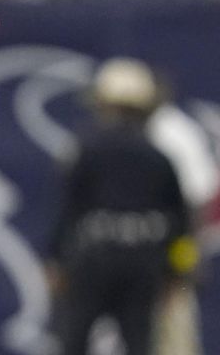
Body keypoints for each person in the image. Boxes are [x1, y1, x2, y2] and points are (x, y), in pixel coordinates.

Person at [46, 57, 194, 355]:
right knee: (139, 344)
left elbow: (69, 210)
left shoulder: (86, 151)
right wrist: (178, 274)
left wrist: (55, 260)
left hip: (92, 260)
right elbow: (180, 224)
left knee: (73, 341)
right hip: (144, 264)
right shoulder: (160, 157)